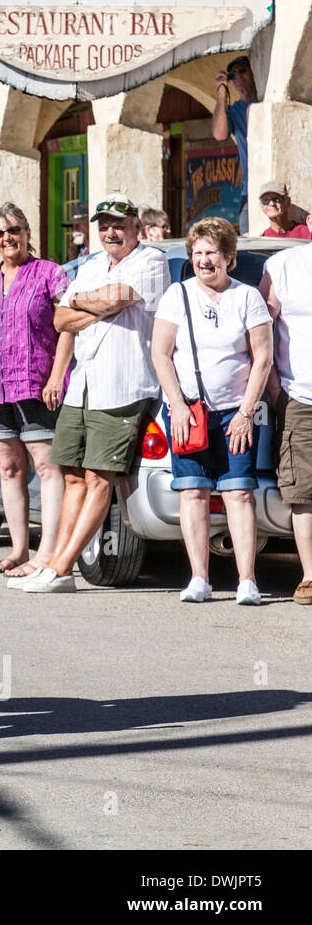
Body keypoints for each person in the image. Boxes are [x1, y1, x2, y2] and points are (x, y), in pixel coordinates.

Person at [22, 194, 169, 593]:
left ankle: (60, 567)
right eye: (103, 225)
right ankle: (55, 565)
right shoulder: (90, 265)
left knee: (99, 478)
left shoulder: (150, 261)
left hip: (123, 384)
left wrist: (84, 301)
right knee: (71, 476)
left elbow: (119, 298)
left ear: (136, 225)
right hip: (83, 385)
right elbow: (59, 317)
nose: (110, 232)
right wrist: (98, 302)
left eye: (119, 224)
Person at [151, 218, 272, 604]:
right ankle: (199, 579)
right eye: (198, 253)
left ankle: (246, 581)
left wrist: (245, 412)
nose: (204, 261)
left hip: (234, 413)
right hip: (190, 414)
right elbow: (160, 353)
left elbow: (263, 357)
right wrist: (176, 404)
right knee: (194, 494)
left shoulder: (247, 297)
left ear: (229, 258)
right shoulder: (177, 295)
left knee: (239, 494)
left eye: (212, 253)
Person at [0, 203, 72, 583]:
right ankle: (19, 549)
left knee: (46, 467)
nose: (7, 238)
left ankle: (48, 551)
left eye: (14, 230)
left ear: (27, 233)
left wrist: (57, 374)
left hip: (36, 383)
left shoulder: (49, 274)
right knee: (9, 468)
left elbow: (68, 325)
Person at [260, 236, 312, 605]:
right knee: (302, 491)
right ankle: (310, 576)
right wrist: (276, 388)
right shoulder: (283, 265)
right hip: (301, 396)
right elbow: (262, 326)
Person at [213, 55, 256, 233]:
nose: (238, 77)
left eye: (243, 71)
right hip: (248, 191)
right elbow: (219, 133)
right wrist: (221, 92)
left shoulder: (265, 101)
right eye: (233, 75)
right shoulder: (233, 110)